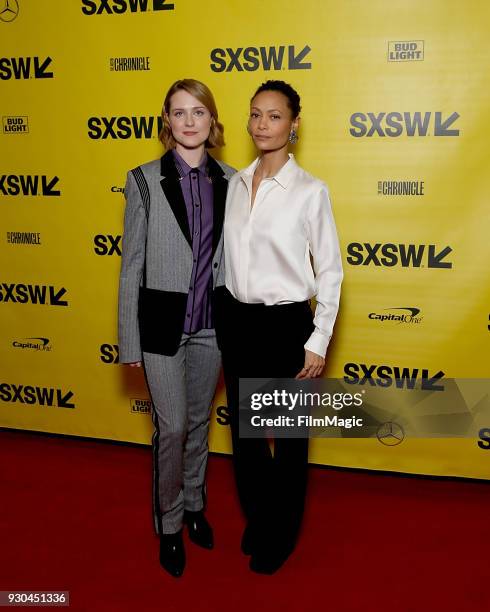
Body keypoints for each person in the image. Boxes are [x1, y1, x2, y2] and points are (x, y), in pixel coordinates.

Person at [216, 80, 343, 574]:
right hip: (237, 320)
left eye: (273, 116)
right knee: (246, 437)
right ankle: (261, 518)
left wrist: (319, 338)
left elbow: (330, 269)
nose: (262, 125)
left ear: (294, 124)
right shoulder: (232, 183)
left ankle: (281, 533)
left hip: (288, 323)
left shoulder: (310, 191)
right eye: (255, 115)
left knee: (287, 440)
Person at [118, 79, 235, 578]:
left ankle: (194, 508)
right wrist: (129, 339)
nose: (189, 121)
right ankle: (168, 527)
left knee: (199, 426)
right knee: (172, 427)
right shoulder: (143, 179)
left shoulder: (233, 180)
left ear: (212, 121)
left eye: (198, 112)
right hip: (162, 326)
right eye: (179, 113)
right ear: (167, 121)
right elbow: (132, 264)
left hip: (212, 326)